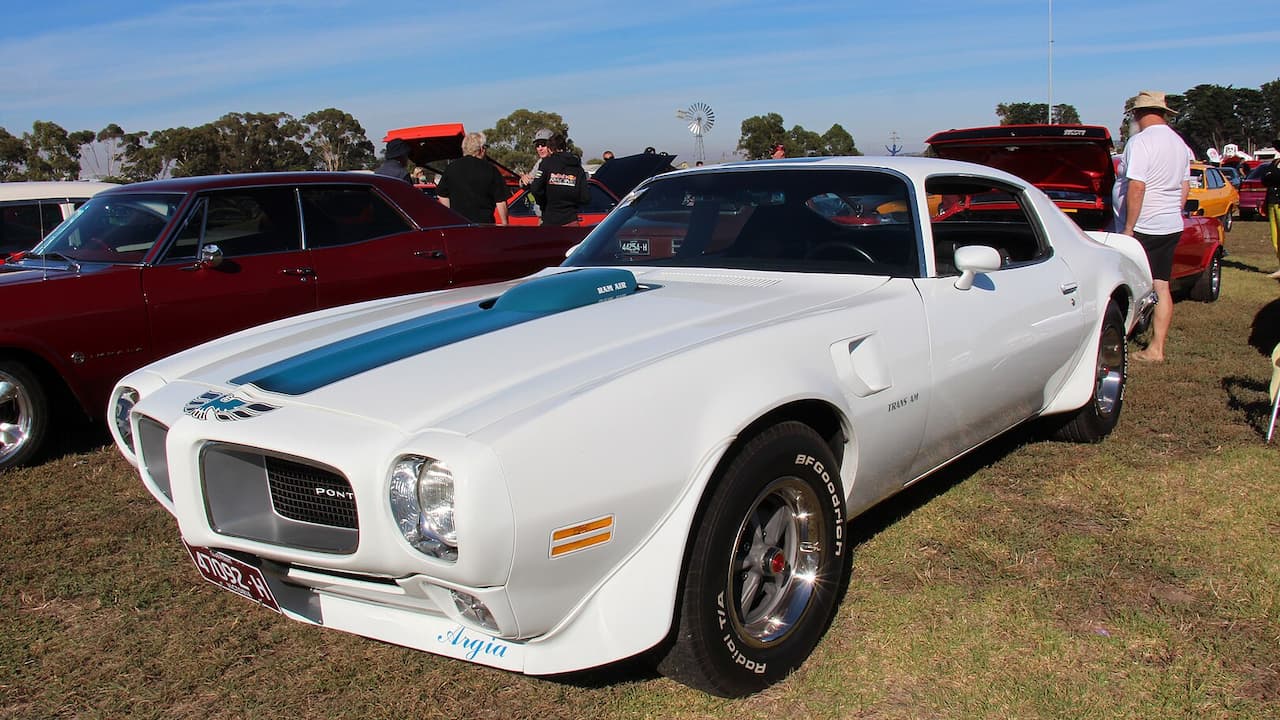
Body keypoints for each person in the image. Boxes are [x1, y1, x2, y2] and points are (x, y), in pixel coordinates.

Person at [1120, 90, 1192, 362]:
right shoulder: (1179, 144)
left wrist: (1128, 227)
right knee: (1161, 286)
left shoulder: (1140, 142)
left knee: (1127, 283)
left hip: (1144, 226)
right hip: (1170, 223)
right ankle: (1157, 347)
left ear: (1138, 114)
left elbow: (1137, 186)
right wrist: (1174, 211)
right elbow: (1184, 187)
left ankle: (1119, 338)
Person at [435, 132, 509, 225]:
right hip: (484, 226)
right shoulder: (491, 169)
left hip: (459, 226)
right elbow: (501, 202)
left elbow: (442, 195)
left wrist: (451, 215)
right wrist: (505, 224)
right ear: (482, 149)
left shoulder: (451, 168)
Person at [529, 133, 589, 226]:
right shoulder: (577, 168)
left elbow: (535, 189)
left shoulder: (546, 163)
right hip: (571, 220)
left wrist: (542, 204)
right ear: (565, 148)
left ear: (549, 149)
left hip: (550, 220)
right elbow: (585, 197)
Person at [1261, 141, 1280, 278]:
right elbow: (1264, 179)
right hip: (1272, 201)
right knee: (1275, 237)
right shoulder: (1275, 163)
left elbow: (1271, 177)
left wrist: (1272, 178)